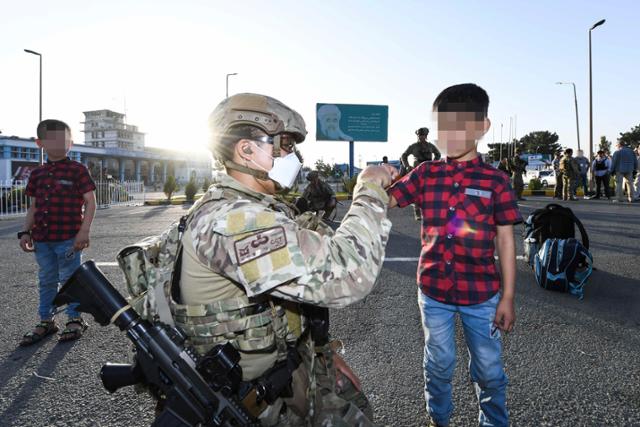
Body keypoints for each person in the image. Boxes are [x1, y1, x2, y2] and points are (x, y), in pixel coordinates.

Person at [173, 93, 397, 426]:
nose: (293, 156)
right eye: (285, 145)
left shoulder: (259, 209)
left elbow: (289, 299)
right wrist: (369, 190)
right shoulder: (232, 222)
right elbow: (348, 272)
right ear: (247, 150)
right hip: (254, 406)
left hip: (288, 377)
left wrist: (324, 356)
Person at [388, 84, 521, 427]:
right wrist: (373, 181)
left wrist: (507, 297)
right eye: (443, 126)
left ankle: (493, 421)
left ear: (482, 127)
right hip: (433, 292)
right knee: (439, 362)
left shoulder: (497, 181)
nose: (450, 134)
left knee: (489, 369)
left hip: (482, 295)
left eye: (460, 125)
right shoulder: (426, 173)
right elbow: (387, 199)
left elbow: (506, 241)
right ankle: (439, 418)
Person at [18, 119, 96, 345]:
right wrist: (25, 232)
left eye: (66, 139)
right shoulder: (37, 175)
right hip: (42, 240)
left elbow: (90, 202)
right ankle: (47, 320)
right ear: (40, 143)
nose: (62, 143)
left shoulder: (77, 170)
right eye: (55, 139)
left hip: (69, 238)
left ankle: (74, 319)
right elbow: (33, 207)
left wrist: (84, 231)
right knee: (47, 279)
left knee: (70, 279)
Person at [401, 127, 441, 220]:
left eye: (423, 135)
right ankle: (417, 212)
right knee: (417, 191)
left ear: (426, 136)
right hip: (417, 170)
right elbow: (404, 155)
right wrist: (407, 166)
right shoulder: (413, 146)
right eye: (420, 135)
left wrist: (434, 163)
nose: (421, 137)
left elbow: (438, 154)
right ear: (418, 136)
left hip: (428, 171)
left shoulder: (430, 146)